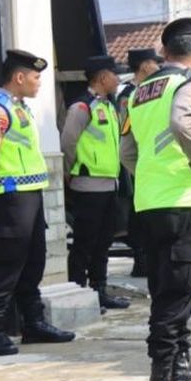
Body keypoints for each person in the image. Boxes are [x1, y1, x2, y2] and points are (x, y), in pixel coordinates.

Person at [120, 18, 191, 381]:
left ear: (164, 53)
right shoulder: (190, 86)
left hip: (150, 202)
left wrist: (149, 177)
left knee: (168, 289)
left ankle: (183, 370)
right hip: (182, 200)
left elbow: (127, 152)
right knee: (175, 296)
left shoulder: (140, 91)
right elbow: (183, 124)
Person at [0, 49, 76, 356]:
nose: (39, 83)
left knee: (34, 262)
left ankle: (33, 324)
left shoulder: (20, 108)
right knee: (8, 266)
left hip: (30, 196)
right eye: (35, 77)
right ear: (19, 77)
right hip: (9, 198)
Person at [61, 54, 130, 310]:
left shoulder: (108, 106)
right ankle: (78, 292)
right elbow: (68, 143)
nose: (118, 79)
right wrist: (69, 172)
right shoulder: (82, 107)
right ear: (102, 77)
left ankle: (99, 290)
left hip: (108, 185)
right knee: (85, 243)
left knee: (103, 243)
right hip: (88, 186)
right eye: (115, 74)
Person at [116, 47, 163, 278]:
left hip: (149, 164)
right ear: (145, 66)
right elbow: (127, 134)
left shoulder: (151, 90)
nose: (158, 67)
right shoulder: (128, 95)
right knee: (138, 218)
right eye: (155, 63)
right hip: (136, 165)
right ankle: (141, 260)